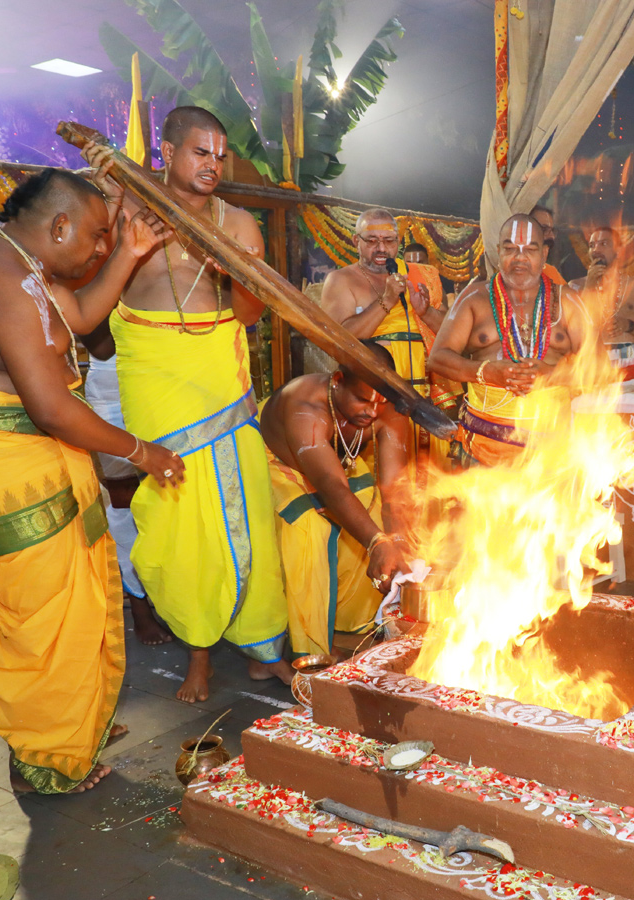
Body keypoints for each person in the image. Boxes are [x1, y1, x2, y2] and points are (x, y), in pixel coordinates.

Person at [0, 168, 184, 793]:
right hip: (3, 466)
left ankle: (72, 720)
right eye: (96, 237)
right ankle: (45, 758)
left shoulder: (7, 256)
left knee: (60, 605)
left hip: (14, 458)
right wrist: (143, 452)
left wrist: (129, 253)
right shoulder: (5, 277)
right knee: (39, 618)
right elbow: (51, 407)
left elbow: (78, 315)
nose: (99, 250)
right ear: (58, 225)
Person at [88, 106, 291, 703]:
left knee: (247, 510)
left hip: (218, 379)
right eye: (201, 152)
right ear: (169, 152)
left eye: (220, 154)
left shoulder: (240, 224)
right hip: (153, 372)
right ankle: (197, 652)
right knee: (177, 514)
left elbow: (253, 315)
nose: (213, 164)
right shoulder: (124, 207)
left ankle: (264, 650)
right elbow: (88, 295)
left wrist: (228, 266)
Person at [260, 339, 412, 656]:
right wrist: (377, 543)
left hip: (337, 464)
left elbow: (393, 488)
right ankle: (311, 651)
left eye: (380, 402)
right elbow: (332, 488)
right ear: (337, 381)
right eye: (361, 400)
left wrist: (394, 538)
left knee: (371, 508)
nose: (372, 411)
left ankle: (349, 622)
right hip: (277, 462)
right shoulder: (306, 411)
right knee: (308, 527)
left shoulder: (386, 407)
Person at [428, 213, 591, 466]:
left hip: (553, 451)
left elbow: (599, 369)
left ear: (544, 255)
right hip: (484, 450)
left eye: (530, 249)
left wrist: (550, 374)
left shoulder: (568, 301)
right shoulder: (473, 298)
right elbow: (438, 359)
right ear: (497, 252)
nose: (520, 258)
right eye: (510, 249)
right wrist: (486, 372)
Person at [320, 209, 456, 471]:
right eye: (371, 241)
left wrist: (426, 311)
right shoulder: (340, 280)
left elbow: (450, 337)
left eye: (389, 240)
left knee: (430, 484)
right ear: (355, 241)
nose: (381, 248)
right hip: (376, 402)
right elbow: (337, 342)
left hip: (425, 399)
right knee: (386, 482)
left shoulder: (422, 276)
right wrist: (386, 300)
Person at [82, 322, 171, 645]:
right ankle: (140, 609)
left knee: (171, 501)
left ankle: (173, 601)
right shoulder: (89, 276)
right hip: (113, 397)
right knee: (124, 507)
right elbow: (102, 346)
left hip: (163, 389)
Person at [569, 226, 634, 381]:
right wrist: (589, 287)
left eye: (604, 244)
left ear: (618, 250)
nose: (596, 249)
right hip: (591, 375)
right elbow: (572, 330)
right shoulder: (574, 287)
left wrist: (629, 326)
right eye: (592, 245)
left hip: (629, 374)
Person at [529, 205, 566, 286]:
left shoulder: (551, 272)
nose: (551, 236)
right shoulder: (514, 271)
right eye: (544, 229)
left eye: (552, 230)